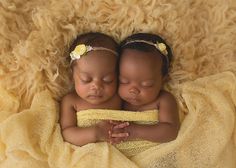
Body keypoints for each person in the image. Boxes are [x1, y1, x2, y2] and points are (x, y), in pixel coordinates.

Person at [60, 32, 129, 146]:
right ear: (72, 75)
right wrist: (95, 132)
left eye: (108, 80)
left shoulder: (119, 96)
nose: (96, 86)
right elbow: (67, 133)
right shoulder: (70, 101)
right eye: (86, 79)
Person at [111, 33, 180, 143]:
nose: (133, 90)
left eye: (146, 84)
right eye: (124, 81)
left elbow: (171, 131)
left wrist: (135, 131)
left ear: (163, 79)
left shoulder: (163, 100)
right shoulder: (114, 98)